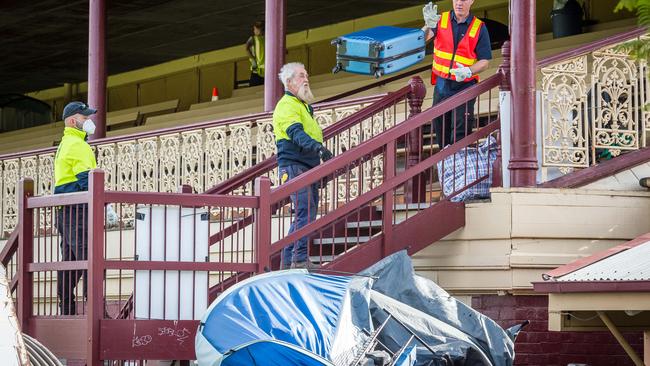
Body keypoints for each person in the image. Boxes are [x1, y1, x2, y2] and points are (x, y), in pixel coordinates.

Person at [54, 101, 117, 314]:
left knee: (71, 261)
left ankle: (67, 309)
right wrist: (104, 205)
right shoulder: (77, 145)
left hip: (66, 210)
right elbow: (86, 181)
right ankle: (97, 311)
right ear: (73, 121)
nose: (89, 121)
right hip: (77, 210)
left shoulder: (67, 142)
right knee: (92, 258)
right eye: (85, 117)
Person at [273, 62, 333, 269]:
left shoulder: (303, 106)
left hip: (306, 166)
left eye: (306, 75)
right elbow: (296, 134)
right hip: (294, 166)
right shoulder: (287, 105)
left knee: (307, 213)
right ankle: (296, 259)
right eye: (301, 76)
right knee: (305, 213)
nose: (306, 79)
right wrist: (319, 149)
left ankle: (290, 260)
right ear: (289, 82)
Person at [422, 0, 492, 149]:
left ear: (472, 1)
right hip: (442, 84)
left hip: (465, 85)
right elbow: (420, 41)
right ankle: (447, 168)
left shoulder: (479, 27)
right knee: (440, 128)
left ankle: (459, 168)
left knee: (460, 132)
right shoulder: (440, 19)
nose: (459, 3)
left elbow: (485, 61)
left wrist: (469, 71)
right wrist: (428, 24)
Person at [245, 21, 265, 86]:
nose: (254, 31)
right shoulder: (253, 38)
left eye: (256, 29)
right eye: (254, 29)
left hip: (267, 69)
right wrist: (253, 60)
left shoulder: (268, 38)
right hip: (257, 68)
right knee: (254, 87)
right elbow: (246, 48)